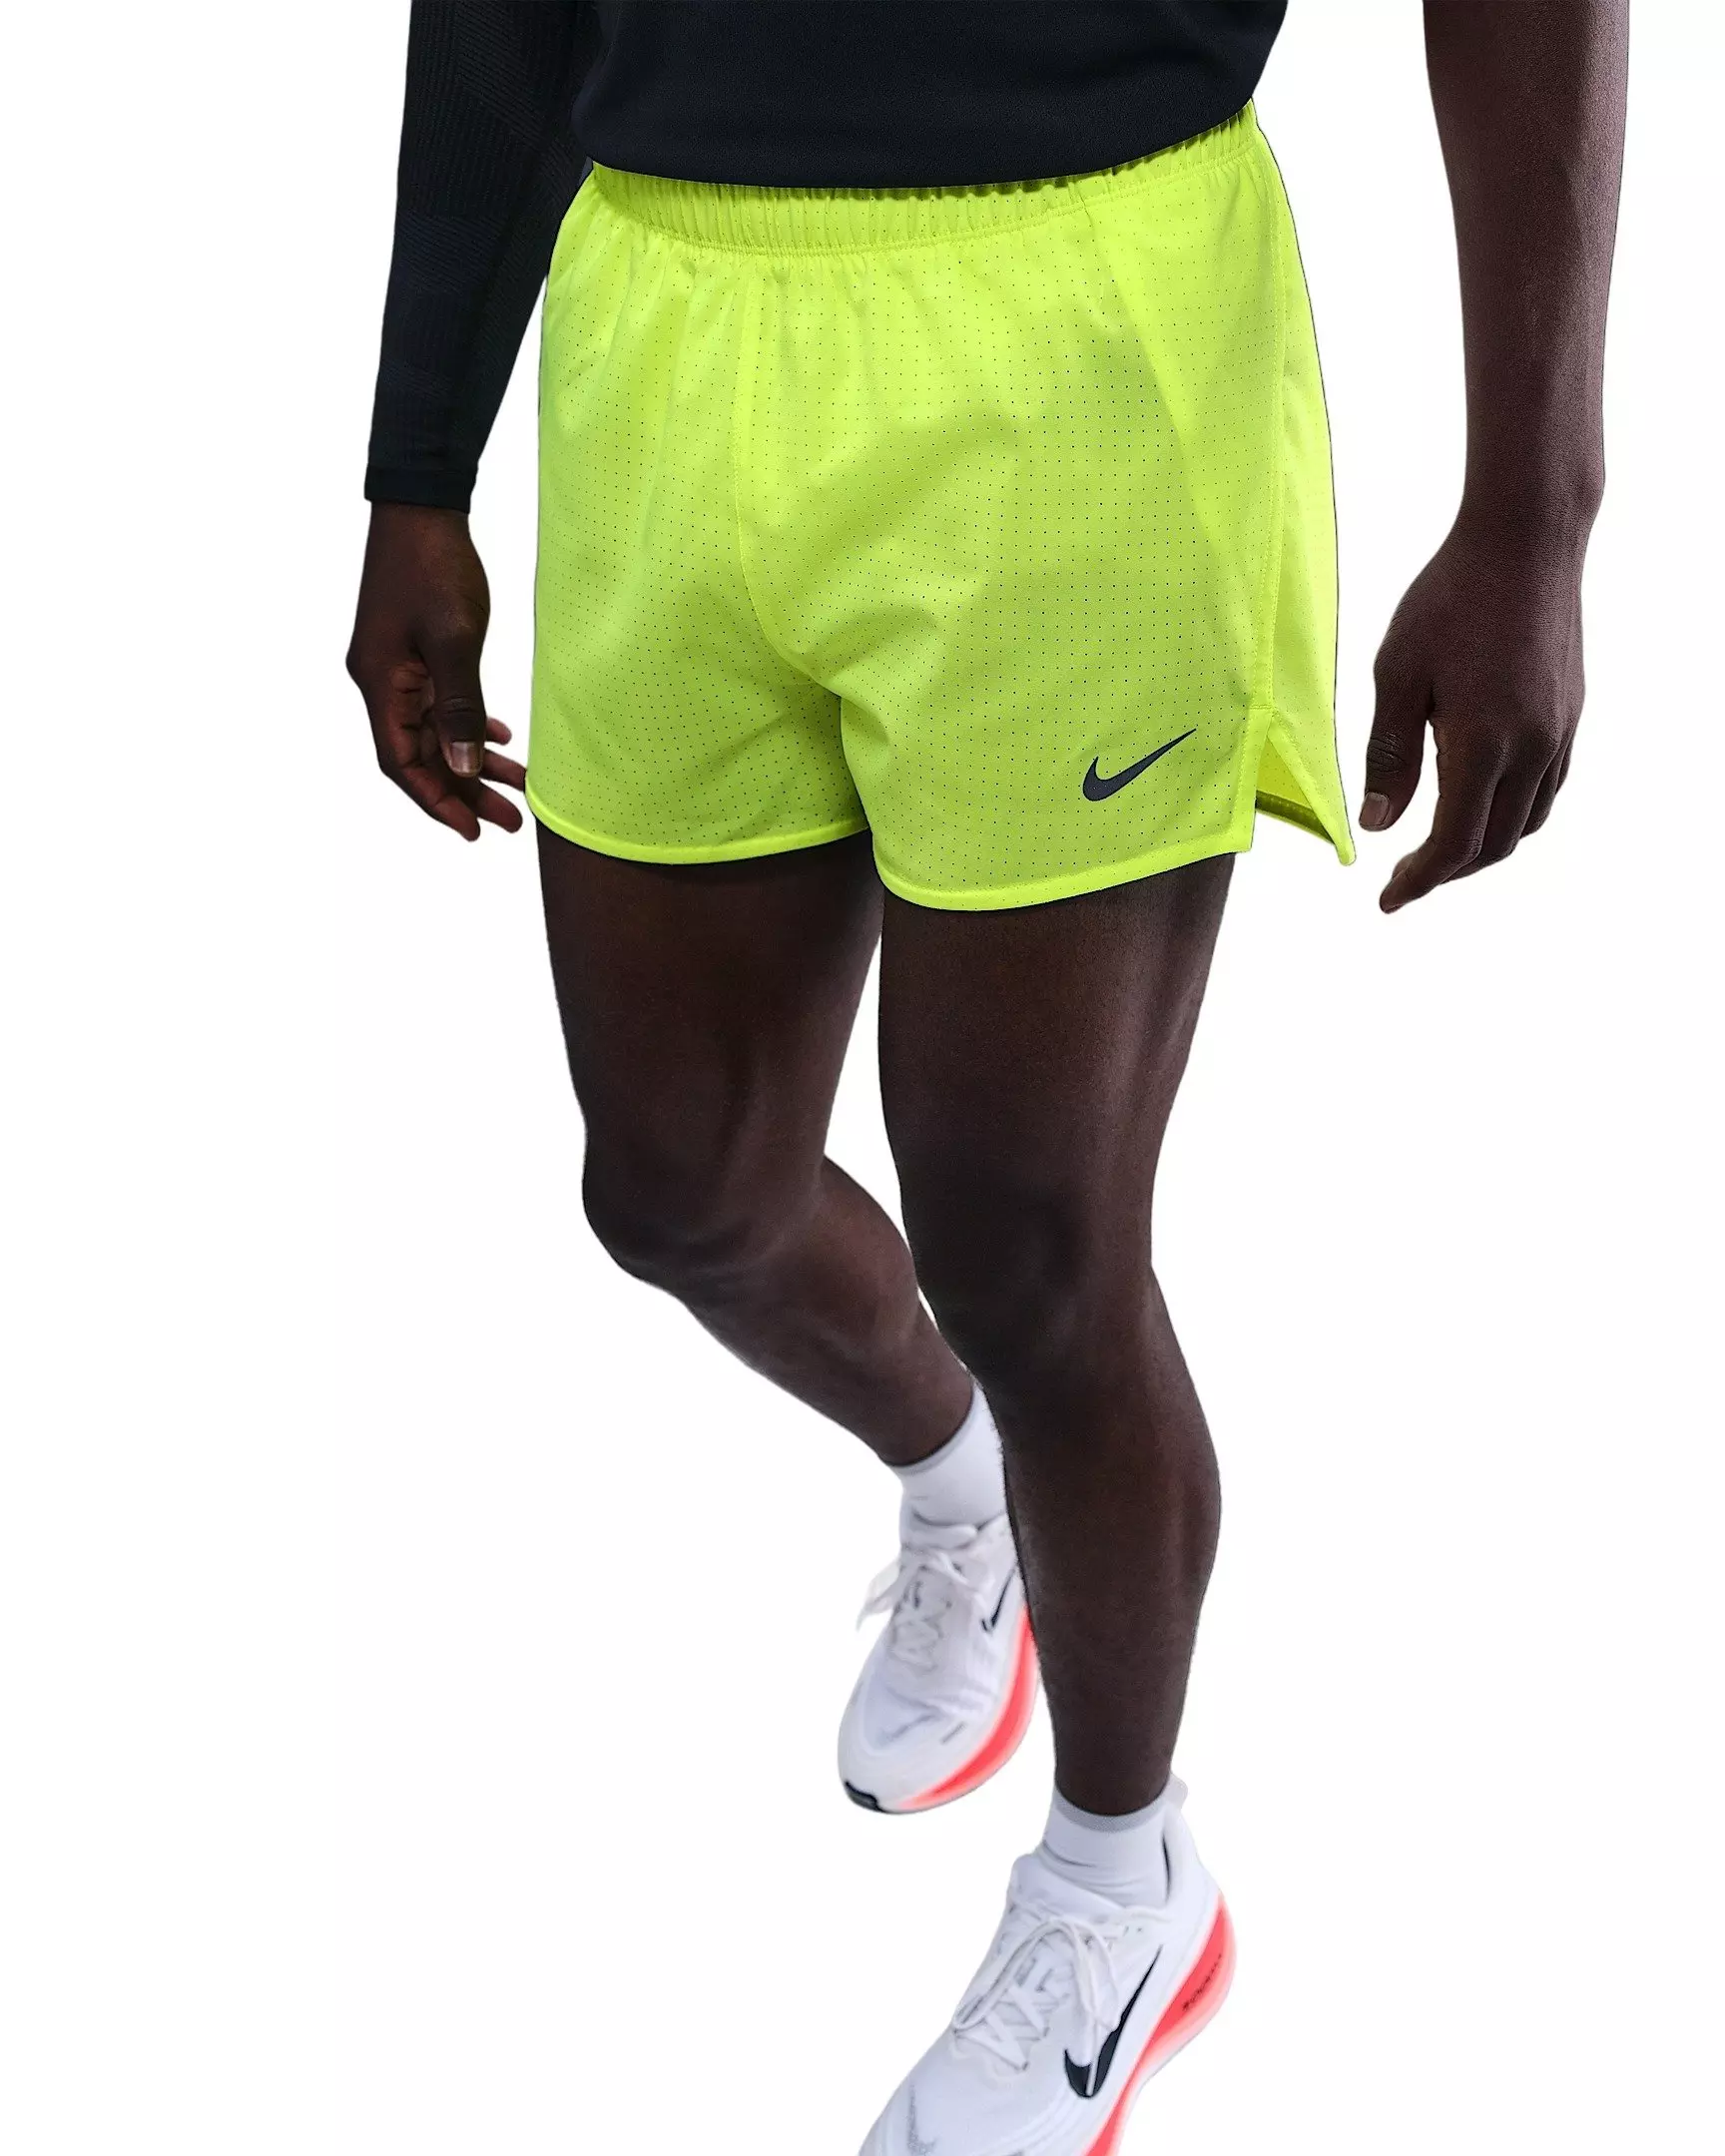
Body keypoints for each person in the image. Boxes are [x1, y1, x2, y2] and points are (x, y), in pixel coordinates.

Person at [346, 5, 1628, 2147]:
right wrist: (417, 466)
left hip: (1082, 324)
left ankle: (1124, 1888)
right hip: (662, 316)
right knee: (678, 1186)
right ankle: (969, 1494)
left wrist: (1535, 512)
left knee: (1030, 1249)